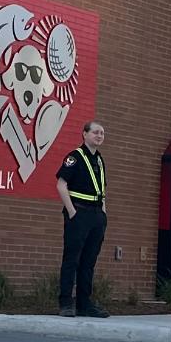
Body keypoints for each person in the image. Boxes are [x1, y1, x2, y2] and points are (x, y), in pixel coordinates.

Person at [54, 120, 111, 318]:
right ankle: (66, 304)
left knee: (88, 262)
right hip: (79, 213)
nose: (99, 135)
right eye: (95, 132)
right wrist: (72, 212)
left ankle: (84, 304)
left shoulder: (100, 160)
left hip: (96, 216)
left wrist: (103, 213)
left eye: (102, 133)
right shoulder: (74, 157)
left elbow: (101, 190)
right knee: (72, 259)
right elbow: (61, 185)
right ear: (84, 134)